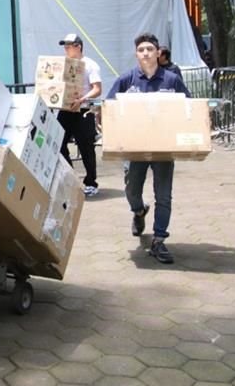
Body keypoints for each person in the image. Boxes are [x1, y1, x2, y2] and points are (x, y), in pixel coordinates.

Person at [107, 33, 191, 264]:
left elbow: (189, 107)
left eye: (149, 49)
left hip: (163, 148)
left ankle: (159, 240)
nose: (145, 53)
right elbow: (108, 108)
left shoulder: (172, 80)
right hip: (135, 148)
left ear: (157, 53)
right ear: (136, 54)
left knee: (163, 196)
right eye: (141, 49)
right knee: (131, 190)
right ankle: (139, 211)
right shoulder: (127, 80)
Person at [56, 34, 103, 196]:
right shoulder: (63, 65)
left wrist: (83, 98)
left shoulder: (90, 65)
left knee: (86, 147)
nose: (66, 49)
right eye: (65, 46)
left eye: (69, 46)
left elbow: (97, 89)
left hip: (83, 110)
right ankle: (71, 178)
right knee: (58, 142)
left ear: (79, 46)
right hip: (66, 109)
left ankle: (91, 182)